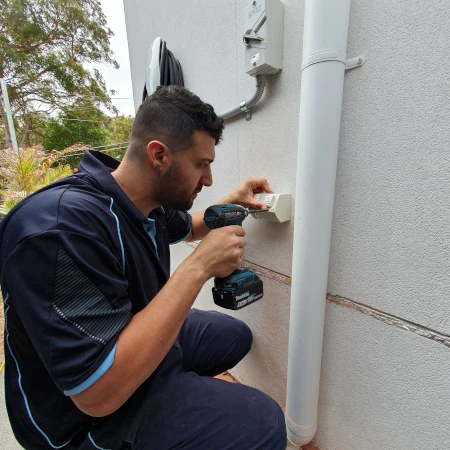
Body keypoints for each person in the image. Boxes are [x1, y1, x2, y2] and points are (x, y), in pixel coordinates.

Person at [0, 86, 287, 450]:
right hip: (80, 420)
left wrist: (235, 201)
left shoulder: (141, 201)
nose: (209, 179)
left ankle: (164, 389)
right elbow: (94, 395)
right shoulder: (59, 232)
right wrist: (200, 266)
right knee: (263, 423)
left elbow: (190, 225)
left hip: (127, 334)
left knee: (233, 336)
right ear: (159, 156)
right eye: (201, 164)